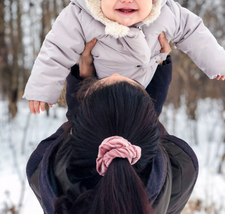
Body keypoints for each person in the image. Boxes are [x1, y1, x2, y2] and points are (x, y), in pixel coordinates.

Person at [23, 0, 225, 114]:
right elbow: (56, 48)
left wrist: (217, 62)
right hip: (94, 100)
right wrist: (42, 88)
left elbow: (193, 31)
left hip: (144, 101)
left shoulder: (166, 13)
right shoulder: (80, 16)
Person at [26, 39, 198, 214]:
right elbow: (72, 131)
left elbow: (64, 139)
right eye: (139, 83)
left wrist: (82, 77)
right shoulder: (179, 173)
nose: (115, 74)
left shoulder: (45, 172)